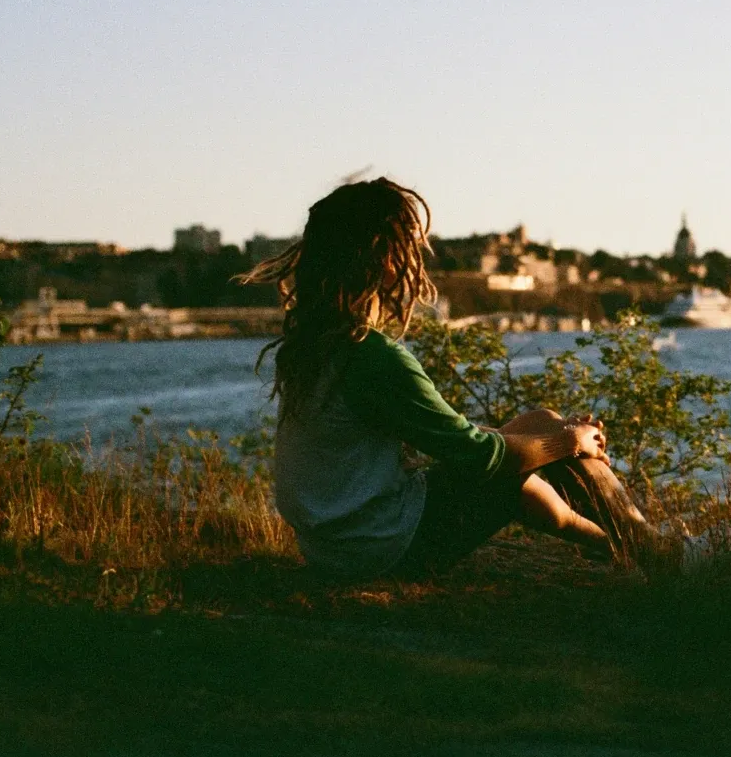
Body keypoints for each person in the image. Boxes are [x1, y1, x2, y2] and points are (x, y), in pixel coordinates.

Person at [238, 177, 673, 581]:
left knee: (540, 423)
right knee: (536, 447)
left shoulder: (316, 347)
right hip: (385, 547)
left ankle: (619, 547)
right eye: (407, 246)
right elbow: (478, 456)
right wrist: (568, 443)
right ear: (386, 260)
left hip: (332, 548)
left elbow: (458, 443)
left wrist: (552, 435)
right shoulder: (372, 357)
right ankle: (663, 556)